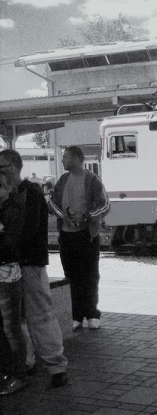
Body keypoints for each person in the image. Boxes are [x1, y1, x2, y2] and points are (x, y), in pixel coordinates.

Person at [0, 149, 69, 389]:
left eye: (3, 167)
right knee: (17, 320)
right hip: (15, 265)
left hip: (28, 263)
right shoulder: (11, 194)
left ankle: (56, 366)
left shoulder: (30, 192)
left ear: (14, 167)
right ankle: (29, 361)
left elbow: (25, 231)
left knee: (39, 314)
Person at [49, 146, 110, 331]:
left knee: (89, 275)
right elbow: (52, 203)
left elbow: (105, 206)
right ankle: (76, 315)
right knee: (71, 275)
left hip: (86, 236)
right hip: (66, 236)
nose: (62, 161)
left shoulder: (92, 180)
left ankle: (92, 314)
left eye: (65, 157)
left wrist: (85, 216)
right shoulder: (63, 180)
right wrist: (64, 216)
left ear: (76, 158)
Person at [0, 173, 27, 395]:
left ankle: (18, 375)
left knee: (11, 329)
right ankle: (6, 372)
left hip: (7, 275)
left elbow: (9, 245)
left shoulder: (13, 210)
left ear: (8, 188)